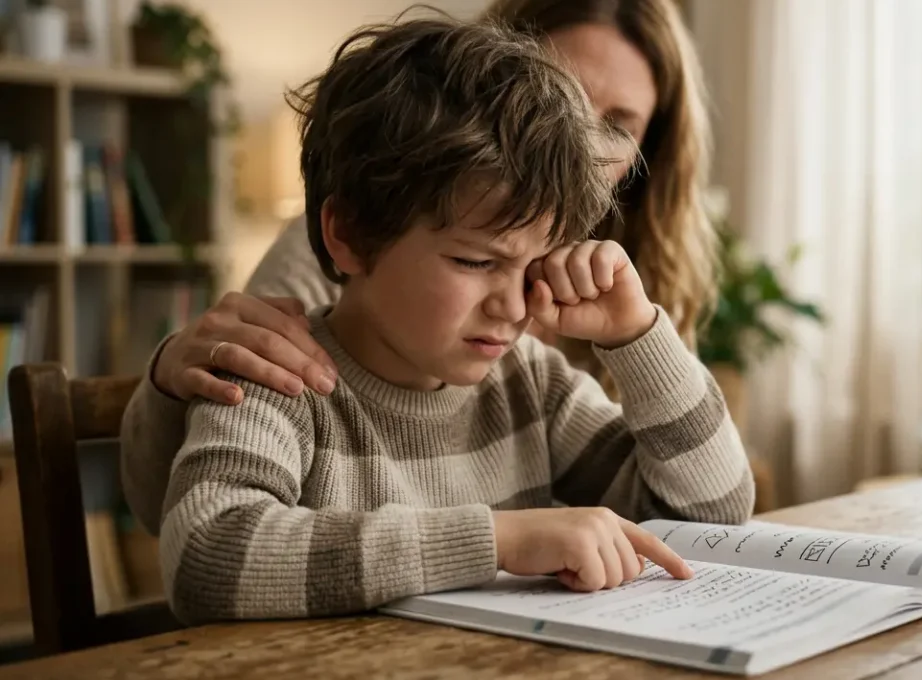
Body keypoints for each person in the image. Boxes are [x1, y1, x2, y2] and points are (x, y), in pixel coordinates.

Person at [159, 14, 753, 625]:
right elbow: (206, 557)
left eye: (534, 265)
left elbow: (712, 514)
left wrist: (637, 337)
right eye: (475, 260)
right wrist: (497, 541)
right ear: (350, 235)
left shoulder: (531, 386)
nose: (515, 306)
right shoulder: (280, 378)